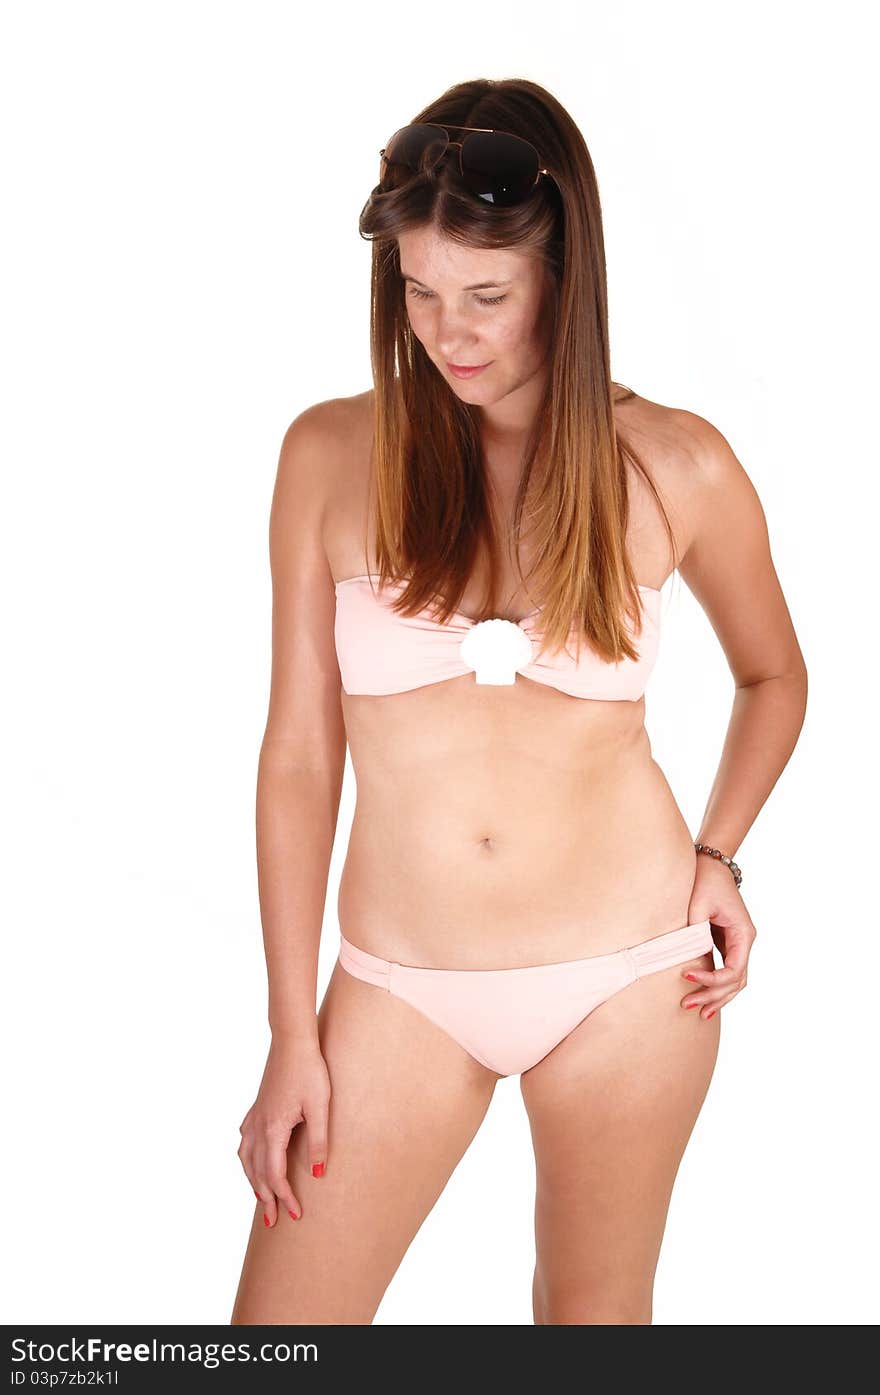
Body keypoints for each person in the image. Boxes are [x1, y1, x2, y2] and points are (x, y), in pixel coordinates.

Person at [230, 76, 808, 1326]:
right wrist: (290, 1030)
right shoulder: (328, 455)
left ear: (565, 276)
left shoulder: (676, 461)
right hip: (396, 986)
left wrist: (720, 852)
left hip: (629, 980)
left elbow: (774, 675)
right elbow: (296, 754)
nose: (451, 333)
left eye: (486, 296)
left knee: (588, 1335)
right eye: (420, 293)